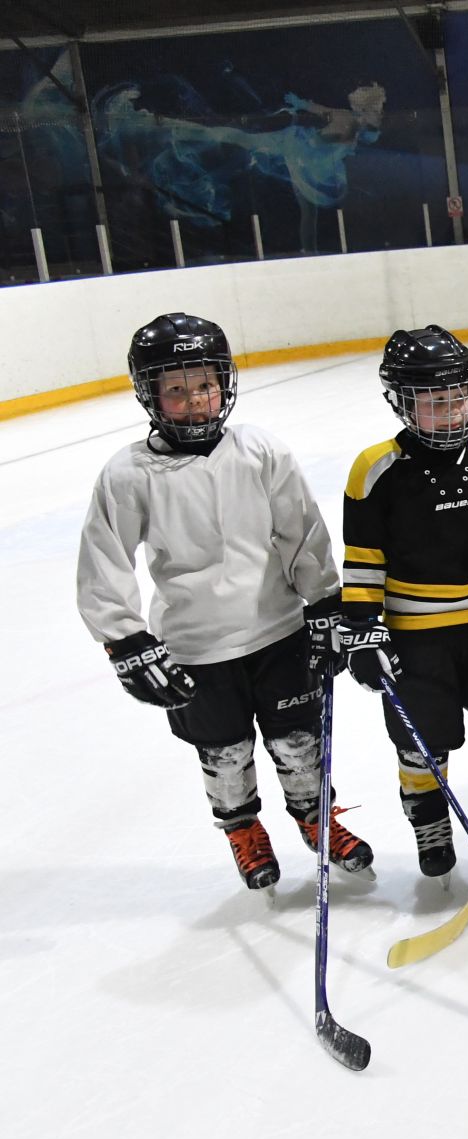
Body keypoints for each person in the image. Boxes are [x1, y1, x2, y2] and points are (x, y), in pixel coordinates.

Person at [77, 313, 370, 892]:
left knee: (298, 739)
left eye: (205, 384)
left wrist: (325, 603)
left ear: (225, 383)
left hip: (280, 629)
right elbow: (104, 556)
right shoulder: (129, 473)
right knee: (224, 748)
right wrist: (126, 640)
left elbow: (301, 531)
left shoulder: (259, 450)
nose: (195, 400)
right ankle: (242, 829)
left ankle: (316, 818)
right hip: (196, 644)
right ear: (151, 394)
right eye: (177, 389)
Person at [340, 326, 468, 882]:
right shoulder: (375, 469)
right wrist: (361, 629)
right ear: (403, 404)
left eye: (459, 397)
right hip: (415, 643)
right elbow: (363, 563)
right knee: (421, 746)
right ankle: (431, 828)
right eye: (435, 402)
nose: (452, 411)